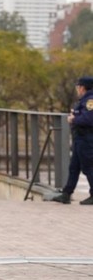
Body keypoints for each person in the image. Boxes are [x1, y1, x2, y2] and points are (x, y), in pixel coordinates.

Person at [50, 75, 93, 204]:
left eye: (78, 87)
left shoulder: (90, 100)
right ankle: (66, 194)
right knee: (74, 167)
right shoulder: (84, 100)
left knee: (88, 167)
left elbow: (89, 119)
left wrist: (73, 119)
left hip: (87, 138)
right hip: (80, 138)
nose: (77, 89)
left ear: (82, 87)